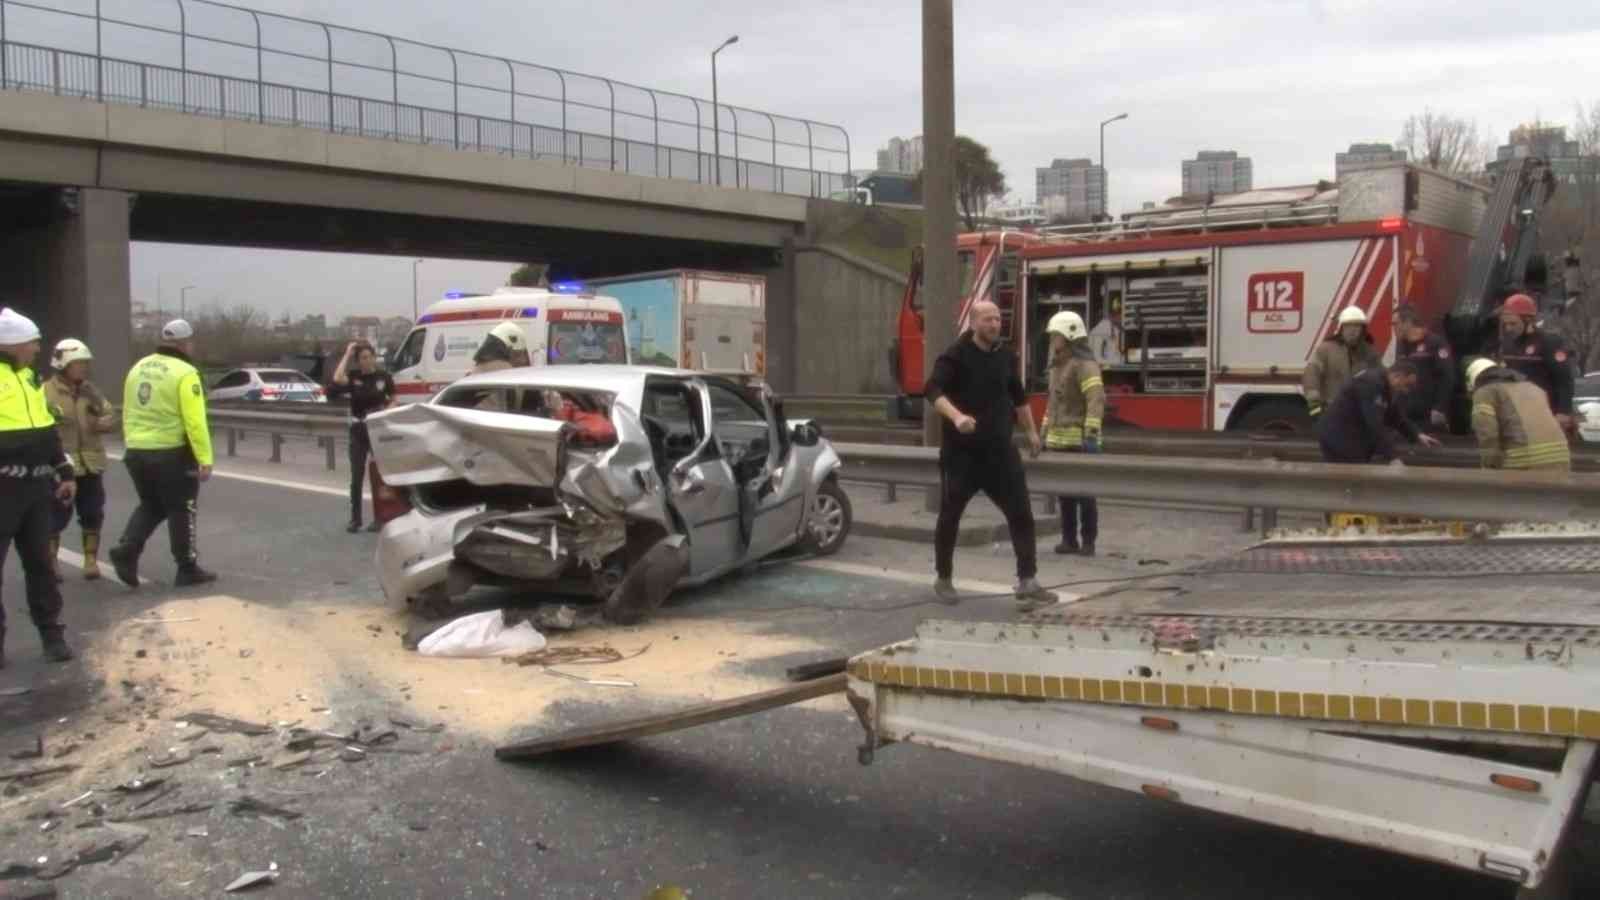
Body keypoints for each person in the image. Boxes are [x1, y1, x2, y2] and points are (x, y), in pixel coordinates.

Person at [924, 300, 1055, 608]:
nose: (995, 325)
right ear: (973, 324)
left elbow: (1019, 397)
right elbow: (932, 390)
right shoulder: (954, 356)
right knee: (950, 516)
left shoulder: (1005, 356)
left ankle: (1028, 580)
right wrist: (957, 417)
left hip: (1000, 454)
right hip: (962, 456)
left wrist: (1032, 432)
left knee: (1021, 513)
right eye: (987, 320)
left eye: (997, 319)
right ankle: (943, 578)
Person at [109, 319, 217, 589]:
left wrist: (132, 443)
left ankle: (127, 549)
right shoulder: (185, 372)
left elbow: (129, 410)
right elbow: (195, 420)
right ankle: (187, 567)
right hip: (171, 452)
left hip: (136, 450)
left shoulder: (138, 367)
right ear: (184, 343)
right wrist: (205, 458)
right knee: (183, 508)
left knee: (152, 504)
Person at [0, 307, 77, 666]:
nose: (36, 349)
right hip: (4, 486)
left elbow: (45, 430)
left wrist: (62, 468)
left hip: (34, 490)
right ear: (14, 344)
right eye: (32, 343)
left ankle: (52, 636)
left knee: (41, 565)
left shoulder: (30, 379)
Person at [43, 338, 117, 580]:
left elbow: (110, 414)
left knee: (93, 513)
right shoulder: (45, 392)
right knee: (56, 516)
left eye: (85, 363)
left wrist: (104, 422)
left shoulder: (91, 391)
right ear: (63, 364)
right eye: (78, 363)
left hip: (91, 464)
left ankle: (90, 561)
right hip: (62, 466)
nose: (84, 367)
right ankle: (51, 562)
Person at [1040, 311, 1104, 557]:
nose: (1052, 340)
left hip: (1080, 442)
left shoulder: (1086, 366)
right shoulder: (1058, 366)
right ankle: (1069, 540)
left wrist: (1090, 434)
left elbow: (1095, 399)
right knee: (1065, 495)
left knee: (1085, 495)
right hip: (1059, 442)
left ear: (1068, 336)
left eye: (1056, 335)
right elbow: (1052, 404)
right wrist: (1044, 432)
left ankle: (1088, 542)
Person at [1316, 360, 1442, 465]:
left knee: (1356, 480)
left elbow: (1395, 416)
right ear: (1397, 376)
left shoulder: (1385, 386)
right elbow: (1374, 423)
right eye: (1407, 385)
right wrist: (1392, 457)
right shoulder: (1371, 384)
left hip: (1347, 435)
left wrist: (1417, 434)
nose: (1407, 391)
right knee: (1354, 479)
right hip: (1339, 436)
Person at [329, 341, 395, 533]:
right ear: (358, 361)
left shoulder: (383, 377)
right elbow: (337, 377)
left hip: (377, 429)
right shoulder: (354, 377)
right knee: (356, 476)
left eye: (368, 357)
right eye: (361, 358)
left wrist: (387, 411)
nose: (365, 361)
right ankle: (355, 519)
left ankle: (380, 518)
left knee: (379, 475)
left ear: (374, 357)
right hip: (358, 429)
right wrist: (348, 353)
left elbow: (394, 398)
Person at [1464, 357, 1571, 471]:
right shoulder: (1534, 388)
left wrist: (1489, 465)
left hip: (1523, 460)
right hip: (1561, 458)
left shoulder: (1484, 392)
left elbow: (1487, 433)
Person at [1491, 293, 1576, 432]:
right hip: (1515, 413)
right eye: (1505, 324)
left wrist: (1563, 412)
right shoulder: (1507, 344)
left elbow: (1564, 380)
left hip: (1545, 413)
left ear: (1528, 320)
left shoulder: (1549, 342)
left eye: (1513, 323)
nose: (1508, 328)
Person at [1302, 306, 1380, 423]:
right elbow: (1312, 374)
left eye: (1357, 326)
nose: (1352, 330)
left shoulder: (1370, 352)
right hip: (1333, 410)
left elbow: (1380, 378)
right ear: (1341, 328)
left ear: (1362, 329)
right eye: (1348, 326)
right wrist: (1315, 410)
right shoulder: (1326, 349)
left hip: (1360, 412)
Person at [1393, 304, 1456, 432]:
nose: (1393, 328)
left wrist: (1439, 408)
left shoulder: (1434, 343)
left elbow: (1447, 376)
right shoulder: (1401, 346)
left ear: (1408, 322)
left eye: (1396, 323)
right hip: (1407, 414)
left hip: (1429, 415)